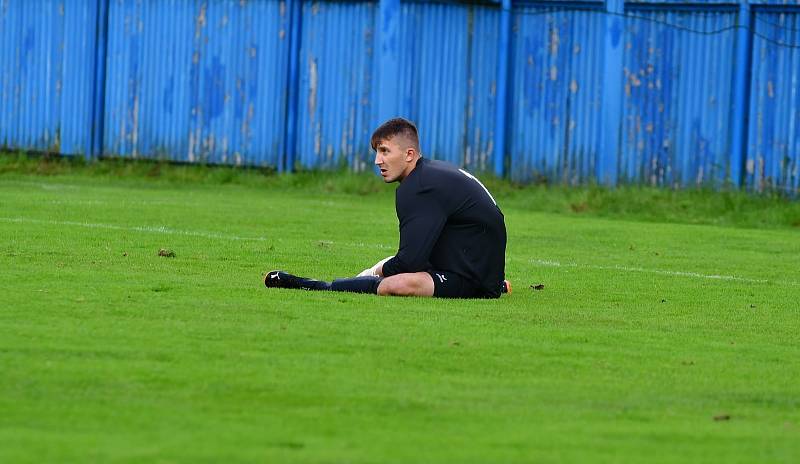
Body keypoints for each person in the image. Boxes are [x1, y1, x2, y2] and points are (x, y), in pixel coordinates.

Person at [265, 117, 509, 298]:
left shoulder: (419, 187)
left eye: (384, 151)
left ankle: (321, 286)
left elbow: (409, 263)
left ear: (409, 154)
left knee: (395, 284)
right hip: (481, 267)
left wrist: (376, 272)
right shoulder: (430, 174)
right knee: (389, 267)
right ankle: (496, 283)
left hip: (471, 278)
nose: (377, 161)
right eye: (376, 152)